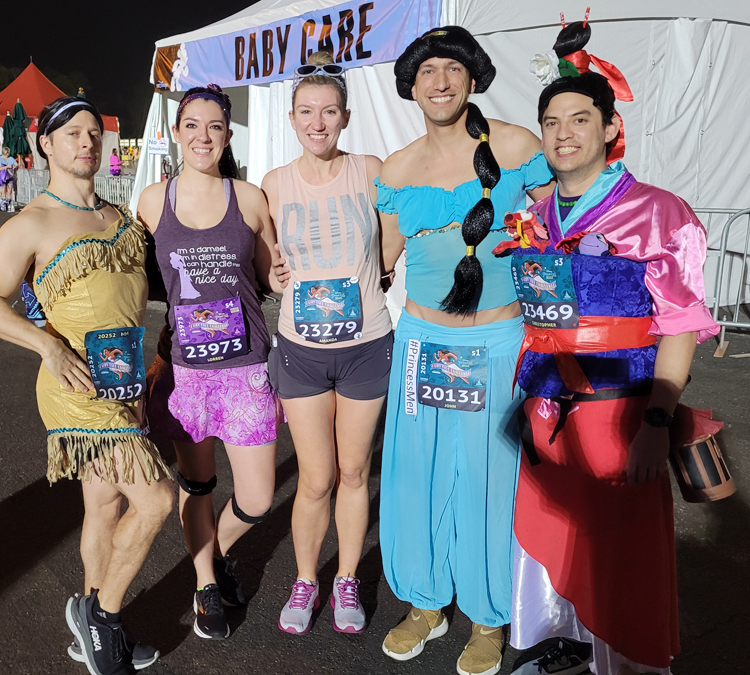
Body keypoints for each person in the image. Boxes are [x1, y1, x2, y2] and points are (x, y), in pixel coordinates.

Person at [503, 19, 720, 675]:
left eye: (579, 119)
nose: (563, 133)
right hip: (546, 411)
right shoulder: (533, 218)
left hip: (620, 413)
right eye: (551, 122)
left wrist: (656, 421)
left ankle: (624, 663)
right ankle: (563, 646)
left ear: (608, 128)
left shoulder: (659, 212)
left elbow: (679, 324)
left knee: (622, 559)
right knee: (554, 538)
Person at [0, 95, 173, 675]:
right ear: (46, 145)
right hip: (75, 387)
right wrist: (47, 346)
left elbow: (135, 301)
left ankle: (92, 630)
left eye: (94, 133)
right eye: (73, 133)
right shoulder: (31, 223)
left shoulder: (119, 217)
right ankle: (102, 618)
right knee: (157, 499)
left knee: (104, 506)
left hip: (124, 383)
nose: (87, 142)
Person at [374, 27, 555, 675]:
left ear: (473, 77)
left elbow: (563, 230)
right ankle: (425, 603)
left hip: (498, 343)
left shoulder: (516, 146)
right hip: (421, 343)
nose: (441, 81)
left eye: (453, 68)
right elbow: (382, 261)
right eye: (428, 71)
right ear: (411, 86)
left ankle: (487, 615)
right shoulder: (396, 169)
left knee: (489, 480)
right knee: (416, 476)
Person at [136, 84, 281, 641]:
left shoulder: (249, 198)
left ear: (227, 134)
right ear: (176, 132)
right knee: (197, 485)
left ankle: (215, 551)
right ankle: (205, 583)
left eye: (214, 126)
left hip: (245, 367)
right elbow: (135, 280)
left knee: (257, 497)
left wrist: (287, 275)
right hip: (185, 371)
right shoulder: (153, 201)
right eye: (192, 125)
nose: (203, 136)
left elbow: (268, 276)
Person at [260, 51, 393, 637]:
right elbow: (269, 262)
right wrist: (273, 278)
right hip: (302, 350)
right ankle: (305, 579)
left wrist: (375, 278)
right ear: (291, 118)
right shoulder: (274, 184)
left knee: (355, 471)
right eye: (307, 112)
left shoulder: (370, 170)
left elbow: (391, 241)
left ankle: (346, 579)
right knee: (315, 479)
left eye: (330, 111)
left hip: (366, 344)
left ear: (345, 117)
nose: (318, 123)